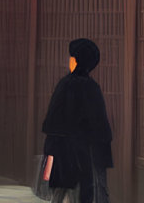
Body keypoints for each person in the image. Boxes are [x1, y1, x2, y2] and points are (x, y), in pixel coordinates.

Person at [41, 38, 113, 203]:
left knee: (60, 192)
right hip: (84, 151)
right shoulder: (91, 88)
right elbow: (100, 125)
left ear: (76, 60)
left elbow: (52, 121)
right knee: (84, 193)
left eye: (72, 57)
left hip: (62, 149)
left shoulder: (65, 84)